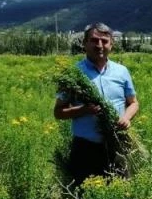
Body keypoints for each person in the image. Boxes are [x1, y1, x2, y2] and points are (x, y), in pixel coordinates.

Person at [54, 22, 139, 188]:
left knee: (122, 192)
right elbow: (58, 112)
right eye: (94, 40)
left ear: (111, 45)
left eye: (104, 41)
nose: (99, 45)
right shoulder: (73, 75)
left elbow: (134, 103)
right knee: (85, 197)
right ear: (84, 44)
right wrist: (83, 110)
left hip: (117, 144)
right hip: (86, 148)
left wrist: (126, 118)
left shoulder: (121, 72)